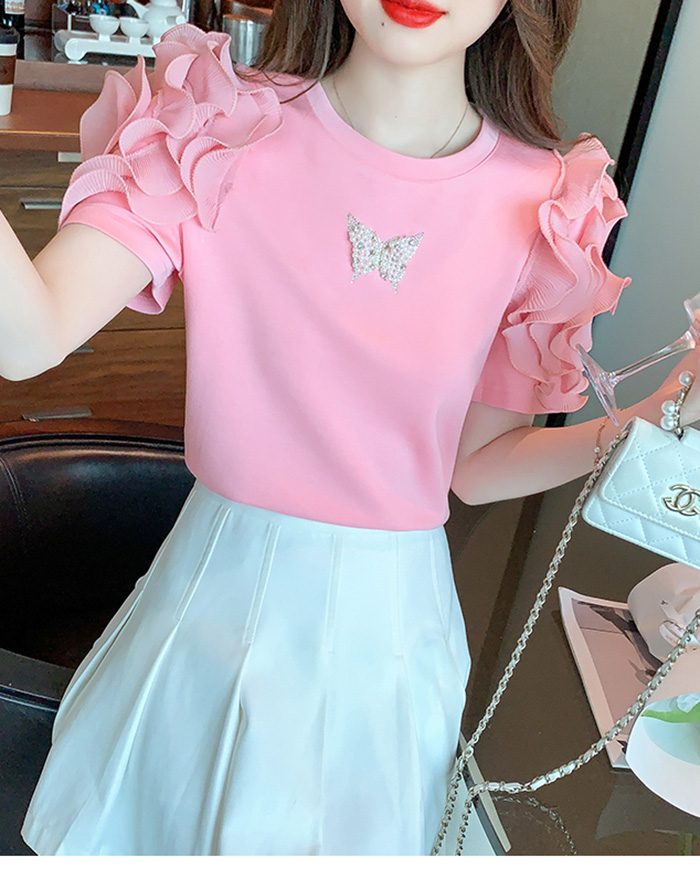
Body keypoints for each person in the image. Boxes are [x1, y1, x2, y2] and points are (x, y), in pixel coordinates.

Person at [2, 0, 698, 856]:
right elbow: (29, 335)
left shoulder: (545, 204)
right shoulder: (214, 127)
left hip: (389, 632)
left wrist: (646, 418)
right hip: (211, 606)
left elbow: (478, 463)